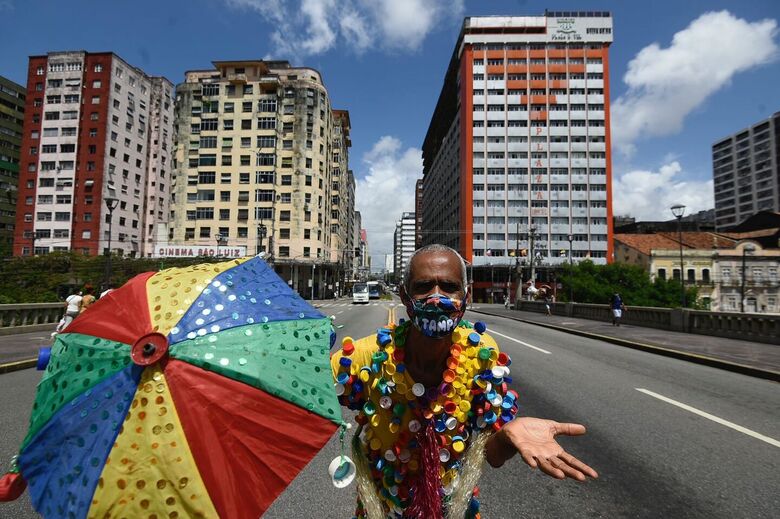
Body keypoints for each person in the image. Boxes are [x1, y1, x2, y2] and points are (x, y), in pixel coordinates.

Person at [331, 244, 597, 518]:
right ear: (404, 295)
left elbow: (492, 456)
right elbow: (309, 397)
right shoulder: (365, 357)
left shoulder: (482, 354)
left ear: (465, 296)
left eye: (448, 286)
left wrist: (506, 436)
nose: (436, 298)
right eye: (424, 286)